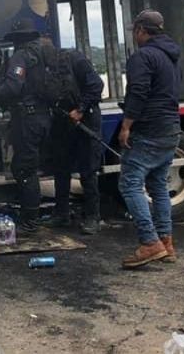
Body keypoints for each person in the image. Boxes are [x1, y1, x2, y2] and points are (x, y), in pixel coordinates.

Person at [118, 10, 182, 269]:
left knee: (130, 184)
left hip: (150, 130)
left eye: (135, 30)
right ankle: (166, 242)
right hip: (171, 128)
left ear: (142, 30)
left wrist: (126, 126)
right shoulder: (170, 56)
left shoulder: (142, 57)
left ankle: (149, 243)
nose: (135, 35)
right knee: (157, 186)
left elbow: (138, 93)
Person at [0, 18, 53, 233]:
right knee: (27, 167)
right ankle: (35, 211)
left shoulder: (21, 56)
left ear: (18, 39)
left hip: (28, 119)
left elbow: (13, 89)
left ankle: (30, 221)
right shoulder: (43, 54)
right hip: (44, 117)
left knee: (25, 169)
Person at [45, 46, 106, 234]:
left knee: (88, 171)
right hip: (63, 122)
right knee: (61, 169)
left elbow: (97, 86)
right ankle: (62, 214)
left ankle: (93, 217)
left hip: (85, 119)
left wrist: (80, 109)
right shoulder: (48, 68)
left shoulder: (76, 60)